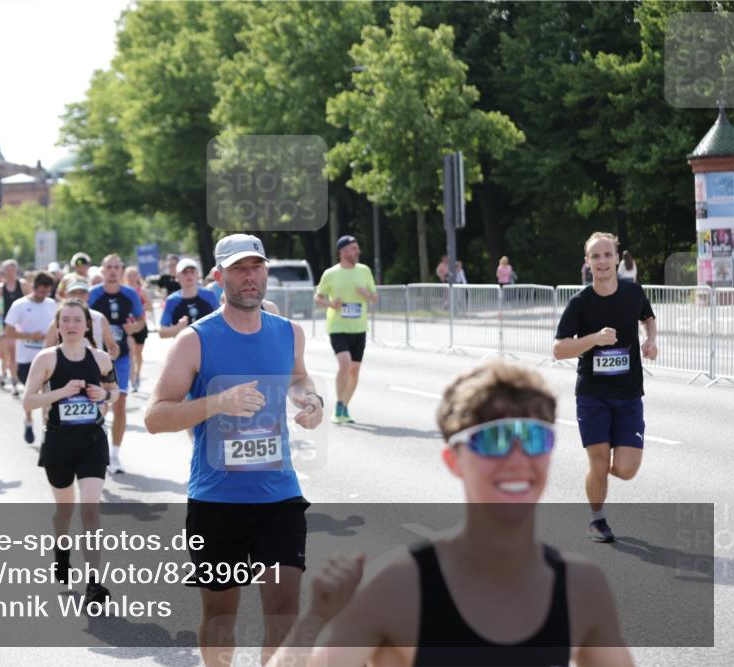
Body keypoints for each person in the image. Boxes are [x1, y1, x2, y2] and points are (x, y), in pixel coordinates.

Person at [266, 360, 634, 667]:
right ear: (453, 460)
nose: (518, 458)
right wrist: (314, 617)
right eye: (494, 440)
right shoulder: (398, 585)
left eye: (534, 438)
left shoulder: (581, 587)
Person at [144, 233, 323, 667]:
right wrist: (217, 403)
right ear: (219, 275)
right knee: (220, 615)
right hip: (217, 501)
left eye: (256, 267)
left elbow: (300, 377)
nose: (249, 277)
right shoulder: (195, 340)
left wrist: (310, 400)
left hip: (279, 496)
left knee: (284, 614)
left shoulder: (288, 333)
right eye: (239, 269)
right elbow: (155, 417)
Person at [554, 232, 657, 543]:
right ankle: (597, 520)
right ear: (588, 262)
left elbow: (648, 318)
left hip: (628, 395)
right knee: (598, 461)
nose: (602, 261)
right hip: (592, 395)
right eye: (595, 256)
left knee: (625, 469)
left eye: (607, 255)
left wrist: (651, 340)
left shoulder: (633, 292)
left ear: (617, 258)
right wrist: (594, 340)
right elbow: (559, 350)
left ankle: (596, 477)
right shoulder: (580, 303)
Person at [22, 299, 119, 607]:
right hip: (59, 443)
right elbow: (27, 401)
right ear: (58, 325)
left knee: (90, 511)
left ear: (87, 325)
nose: (72, 325)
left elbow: (115, 392)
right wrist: (60, 393)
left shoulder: (101, 359)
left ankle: (94, 583)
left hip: (92, 440)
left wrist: (104, 395)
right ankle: (61, 550)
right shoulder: (46, 359)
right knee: (65, 512)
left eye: (77, 320)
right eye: (66, 320)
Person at [88, 254, 145, 473]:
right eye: (108, 267)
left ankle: (114, 454)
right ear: (102, 270)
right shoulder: (93, 295)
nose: (112, 271)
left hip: (120, 359)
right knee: (98, 406)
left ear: (121, 271)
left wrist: (135, 328)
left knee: (119, 403)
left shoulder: (130, 294)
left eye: (116, 267)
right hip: (94, 359)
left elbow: (140, 322)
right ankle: (94, 449)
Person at [314, 235, 378, 425]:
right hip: (338, 326)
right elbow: (318, 297)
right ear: (342, 252)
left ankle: (343, 407)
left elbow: (375, 298)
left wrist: (367, 295)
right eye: (353, 249)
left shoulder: (364, 271)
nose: (357, 252)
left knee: (354, 370)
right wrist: (330, 303)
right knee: (345, 364)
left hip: (359, 328)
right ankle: (339, 404)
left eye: (357, 248)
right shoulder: (331, 273)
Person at [3, 271, 58, 444]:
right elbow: (8, 332)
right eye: (41, 291)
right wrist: (29, 335)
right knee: (31, 396)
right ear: (34, 288)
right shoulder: (19, 305)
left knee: (47, 396)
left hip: (49, 360)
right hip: (26, 360)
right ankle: (28, 420)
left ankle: (46, 433)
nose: (43, 295)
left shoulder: (52, 304)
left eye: (47, 292)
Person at [44, 281, 119, 357]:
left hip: (93, 367)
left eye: (82, 293)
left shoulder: (99, 318)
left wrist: (107, 363)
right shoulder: (59, 320)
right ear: (67, 295)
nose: (77, 296)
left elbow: (113, 347)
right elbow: (47, 349)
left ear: (88, 295)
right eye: (73, 293)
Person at [158, 258, 220, 339]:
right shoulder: (172, 300)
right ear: (177, 276)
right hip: (184, 347)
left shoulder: (209, 295)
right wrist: (178, 327)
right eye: (185, 272)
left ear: (197, 274)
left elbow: (221, 320)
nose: (189, 275)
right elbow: (162, 333)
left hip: (209, 345)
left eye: (192, 271)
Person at [0, 259, 28, 396]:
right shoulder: (0, 287)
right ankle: (9, 378)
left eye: (12, 269)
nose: (10, 272)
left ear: (16, 270)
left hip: (22, 326)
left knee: (19, 354)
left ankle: (17, 380)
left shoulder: (23, 285)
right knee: (9, 354)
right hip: (7, 325)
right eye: (7, 270)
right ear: (4, 272)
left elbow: (31, 300)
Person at [124, 266, 154, 391]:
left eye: (134, 275)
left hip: (140, 325)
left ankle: (137, 374)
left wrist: (138, 307)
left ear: (138, 276)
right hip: (128, 326)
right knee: (130, 353)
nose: (131, 277)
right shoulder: (123, 290)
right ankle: (132, 379)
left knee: (138, 354)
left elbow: (150, 307)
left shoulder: (141, 291)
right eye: (129, 275)